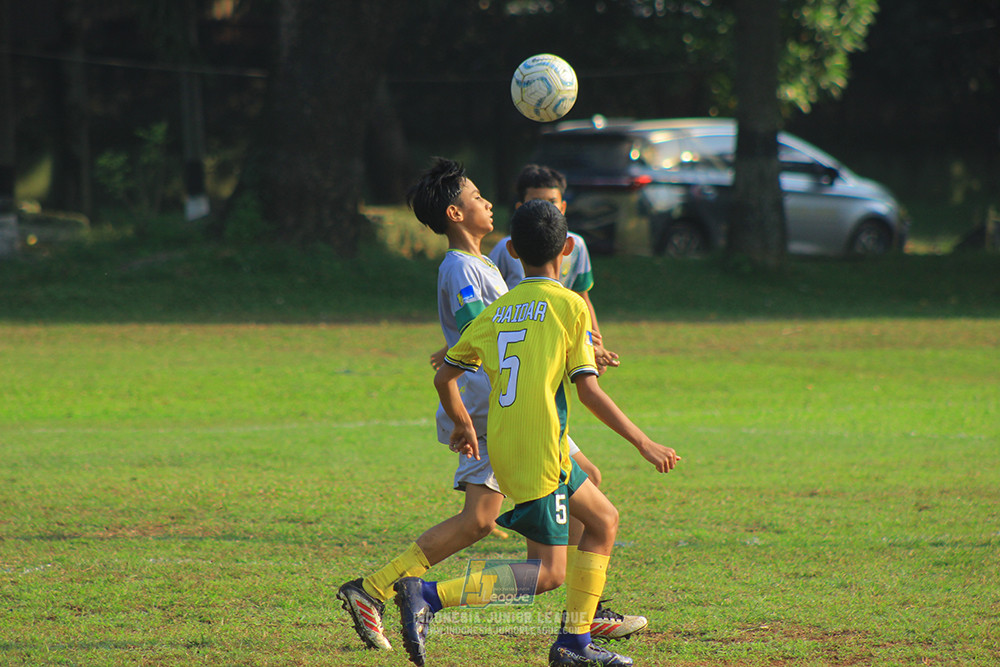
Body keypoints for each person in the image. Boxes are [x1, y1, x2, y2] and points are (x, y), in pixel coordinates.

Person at [337, 159, 640, 655]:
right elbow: (492, 334)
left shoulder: (481, 264)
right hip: (494, 409)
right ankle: (388, 589)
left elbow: (502, 329)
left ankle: (581, 616)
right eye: (478, 196)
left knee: (534, 505)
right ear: (456, 212)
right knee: (522, 527)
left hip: (507, 403)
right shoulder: (459, 267)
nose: (488, 202)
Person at [397, 199, 680, 667]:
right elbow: (587, 392)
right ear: (567, 248)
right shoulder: (569, 306)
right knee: (548, 572)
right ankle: (428, 594)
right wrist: (643, 442)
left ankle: (575, 643)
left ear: (512, 248)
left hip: (514, 447)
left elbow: (443, 375)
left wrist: (463, 422)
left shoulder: (499, 308)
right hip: (540, 451)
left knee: (604, 521)